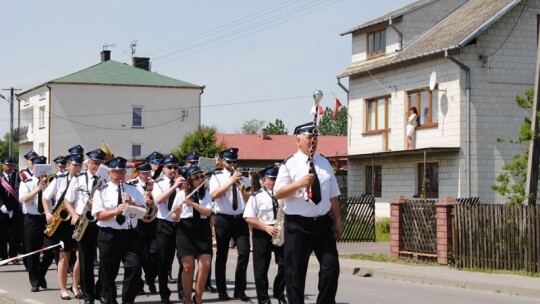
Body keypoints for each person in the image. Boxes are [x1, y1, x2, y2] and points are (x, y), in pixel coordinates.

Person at [274, 122, 342, 304]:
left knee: (331, 268)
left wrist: (337, 220)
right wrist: (298, 184)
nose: (313, 141)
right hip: (298, 226)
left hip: (322, 224)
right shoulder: (290, 164)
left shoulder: (324, 162)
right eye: (309, 137)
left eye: (315, 137)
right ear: (298, 140)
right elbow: (278, 192)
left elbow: (333, 195)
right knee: (295, 274)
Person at [91, 156, 146, 304]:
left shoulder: (133, 190)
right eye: (116, 172)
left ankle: (128, 301)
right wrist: (116, 211)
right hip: (109, 235)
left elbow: (143, 212)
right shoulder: (101, 190)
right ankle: (109, 300)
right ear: (109, 173)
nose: (119, 175)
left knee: (134, 268)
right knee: (108, 272)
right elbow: (99, 216)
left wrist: (132, 204)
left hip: (129, 235)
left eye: (122, 172)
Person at [64, 148, 106, 304]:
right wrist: (74, 214)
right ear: (88, 163)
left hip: (103, 221)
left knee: (106, 260)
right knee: (85, 261)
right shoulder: (79, 178)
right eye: (95, 163)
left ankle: (101, 290)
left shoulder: (106, 179)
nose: (97, 166)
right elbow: (68, 200)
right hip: (84, 222)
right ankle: (88, 295)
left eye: (100, 163)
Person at [209, 148, 251, 302]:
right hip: (223, 219)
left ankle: (240, 290)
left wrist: (242, 187)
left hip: (240, 219)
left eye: (235, 161)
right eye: (229, 161)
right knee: (222, 256)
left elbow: (248, 197)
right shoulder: (217, 177)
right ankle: (222, 290)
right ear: (223, 161)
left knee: (244, 254)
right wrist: (231, 181)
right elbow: (213, 195)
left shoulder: (243, 178)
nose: (233, 164)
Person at [42, 152, 83, 300]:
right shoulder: (59, 179)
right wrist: (47, 213)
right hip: (62, 221)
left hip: (78, 220)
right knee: (63, 256)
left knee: (80, 255)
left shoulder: (83, 179)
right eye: (74, 165)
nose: (77, 168)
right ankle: (63, 289)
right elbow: (45, 197)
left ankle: (75, 285)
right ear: (68, 165)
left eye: (79, 165)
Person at [244, 166, 286, 304]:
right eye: (272, 179)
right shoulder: (256, 196)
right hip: (262, 233)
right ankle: (263, 299)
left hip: (280, 230)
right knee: (261, 269)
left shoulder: (284, 194)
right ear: (263, 180)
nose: (275, 181)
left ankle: (279, 292)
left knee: (286, 264)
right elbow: (248, 217)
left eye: (276, 179)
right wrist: (266, 227)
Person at [171, 166, 213, 304]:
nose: (200, 179)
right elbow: (174, 217)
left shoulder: (205, 193)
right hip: (185, 230)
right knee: (188, 267)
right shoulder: (181, 194)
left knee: (205, 264)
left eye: (202, 177)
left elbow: (207, 212)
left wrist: (192, 204)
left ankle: (199, 296)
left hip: (202, 229)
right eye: (197, 178)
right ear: (190, 180)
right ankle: (188, 298)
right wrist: (177, 211)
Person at [152, 154, 186, 304]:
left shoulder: (183, 183)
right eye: (169, 167)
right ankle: (164, 293)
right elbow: (159, 200)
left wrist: (183, 186)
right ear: (163, 168)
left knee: (184, 260)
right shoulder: (158, 183)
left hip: (181, 224)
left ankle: (182, 291)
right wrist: (174, 186)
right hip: (164, 224)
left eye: (175, 167)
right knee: (164, 261)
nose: (173, 170)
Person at [19, 155, 54, 292]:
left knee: (51, 250)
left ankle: (41, 274)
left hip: (46, 218)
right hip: (32, 219)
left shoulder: (51, 181)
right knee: (32, 253)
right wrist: (38, 189)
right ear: (33, 168)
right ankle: (34, 281)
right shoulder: (26, 181)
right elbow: (24, 199)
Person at [127, 162, 159, 295]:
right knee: (139, 255)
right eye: (143, 173)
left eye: (148, 173)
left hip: (152, 222)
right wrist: (143, 202)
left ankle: (150, 278)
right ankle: (139, 285)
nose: (146, 175)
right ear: (138, 173)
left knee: (155, 253)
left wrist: (153, 201)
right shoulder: (132, 184)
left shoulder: (156, 183)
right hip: (138, 222)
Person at [0, 156, 22, 264]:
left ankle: (13, 256)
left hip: (15, 210)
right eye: (7, 165)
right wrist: (1, 205)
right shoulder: (0, 177)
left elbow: (19, 192)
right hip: (2, 211)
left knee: (15, 235)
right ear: (2, 165)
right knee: (2, 234)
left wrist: (14, 208)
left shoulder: (17, 177)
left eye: (10, 165)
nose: (9, 167)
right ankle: (4, 257)